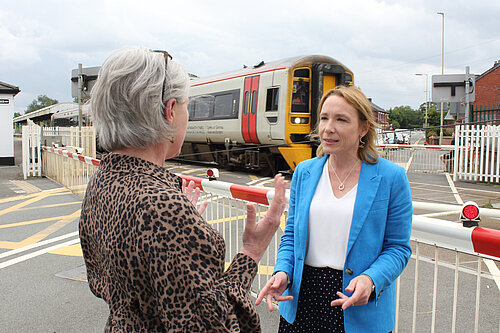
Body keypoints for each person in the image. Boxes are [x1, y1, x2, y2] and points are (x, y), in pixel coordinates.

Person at [79, 47, 287, 332]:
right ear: (169, 111)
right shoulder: (163, 210)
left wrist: (179, 218)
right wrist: (251, 251)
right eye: (187, 106)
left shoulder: (103, 181)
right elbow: (219, 325)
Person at [256, 86, 413, 332]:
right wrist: (283, 272)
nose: (328, 128)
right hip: (301, 302)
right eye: (324, 118)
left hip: (355, 302)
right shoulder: (304, 172)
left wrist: (371, 280)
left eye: (341, 119)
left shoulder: (392, 177)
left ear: (364, 128)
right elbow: (292, 237)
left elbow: (398, 248)